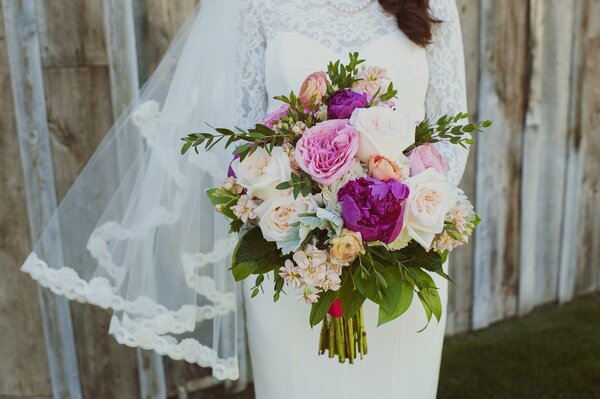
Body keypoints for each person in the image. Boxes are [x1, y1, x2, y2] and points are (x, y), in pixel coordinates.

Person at [22, 1, 468, 397]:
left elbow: (454, 138)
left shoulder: (435, 5)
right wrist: (313, 217)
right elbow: (240, 141)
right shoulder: (255, 5)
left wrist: (390, 220)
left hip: (404, 249)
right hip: (289, 257)